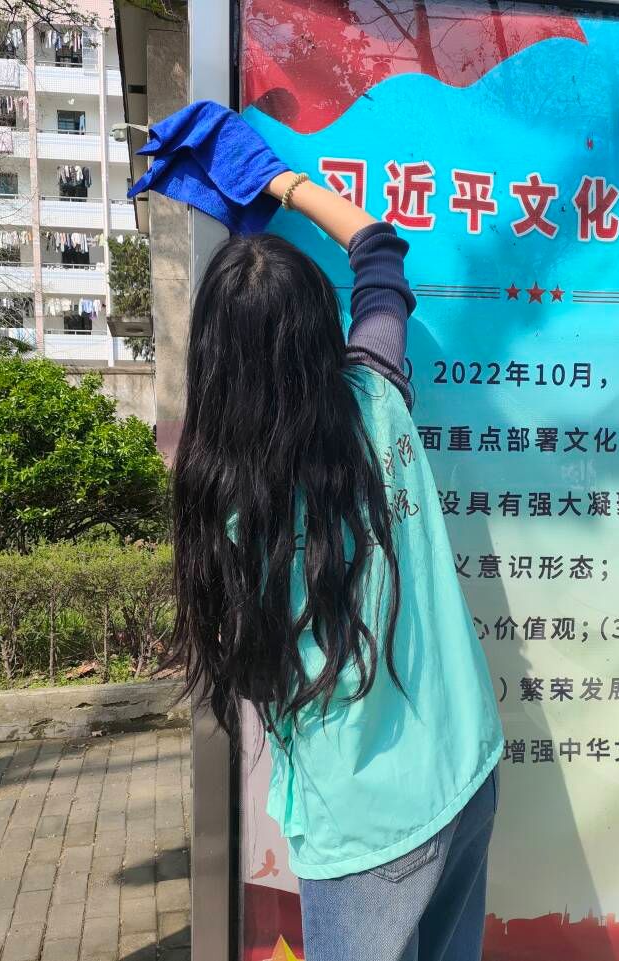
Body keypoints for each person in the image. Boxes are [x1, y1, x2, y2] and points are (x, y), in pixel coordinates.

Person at [131, 101, 504, 961]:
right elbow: (379, 253)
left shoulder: (226, 505)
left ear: (214, 361)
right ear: (318, 330)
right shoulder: (378, 388)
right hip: (466, 771)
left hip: (367, 830)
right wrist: (280, 182)